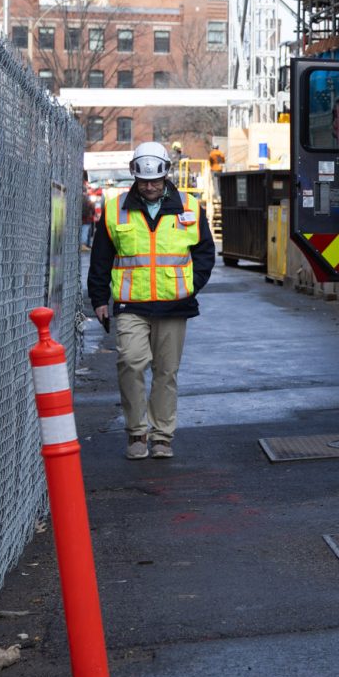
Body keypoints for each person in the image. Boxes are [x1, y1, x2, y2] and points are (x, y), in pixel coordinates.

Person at [88, 141, 214, 460]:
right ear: (135, 176)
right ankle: (136, 432)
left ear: (165, 175)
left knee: (166, 372)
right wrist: (99, 298)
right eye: (144, 182)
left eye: (155, 181)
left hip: (175, 305)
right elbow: (101, 258)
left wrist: (192, 284)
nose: (150, 187)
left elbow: (205, 252)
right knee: (130, 362)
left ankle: (161, 436)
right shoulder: (115, 209)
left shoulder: (189, 207)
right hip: (132, 305)